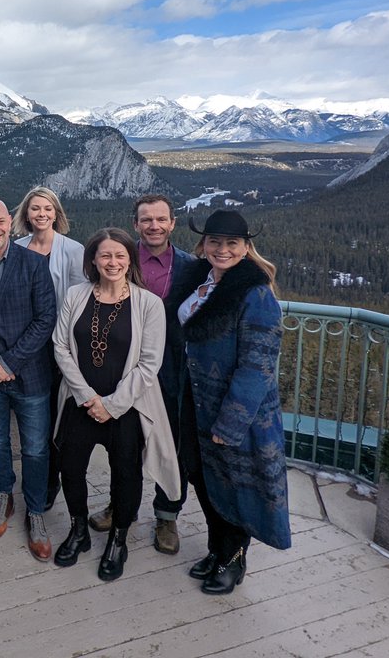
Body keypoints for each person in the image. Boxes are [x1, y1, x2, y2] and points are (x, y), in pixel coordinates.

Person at [170, 210, 290, 595]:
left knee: (233, 485)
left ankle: (233, 560)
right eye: (214, 242)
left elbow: (257, 368)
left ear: (245, 248)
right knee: (203, 479)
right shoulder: (198, 282)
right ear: (203, 245)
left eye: (231, 244)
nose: (222, 250)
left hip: (234, 415)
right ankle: (215, 549)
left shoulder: (256, 295)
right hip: (195, 400)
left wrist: (231, 424)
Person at [52, 228, 180, 582]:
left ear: (130, 260)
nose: (113, 262)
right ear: (93, 259)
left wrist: (113, 404)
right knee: (70, 467)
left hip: (126, 406)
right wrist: (88, 397)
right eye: (105, 255)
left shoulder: (148, 304)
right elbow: (60, 347)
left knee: (126, 473)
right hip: (81, 402)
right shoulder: (76, 295)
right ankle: (79, 531)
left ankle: (118, 539)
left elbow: (149, 364)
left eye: (120, 255)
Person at [88, 194, 196, 553]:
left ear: (172, 223)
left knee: (171, 447)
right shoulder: (119, 258)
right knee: (125, 445)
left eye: (160, 219)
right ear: (135, 224)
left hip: (171, 374)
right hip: (123, 371)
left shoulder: (191, 267)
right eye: (146, 219)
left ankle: (167, 516)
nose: (154, 226)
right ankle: (123, 505)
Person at [0, 198, 57, 561]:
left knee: (35, 448)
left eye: (0, 221)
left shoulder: (33, 264)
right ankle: (3, 495)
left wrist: (10, 360)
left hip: (30, 374)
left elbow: (45, 318)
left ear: (10, 222)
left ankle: (35, 511)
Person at [13, 186, 87, 510]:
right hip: (25, 346)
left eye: (47, 209)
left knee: (55, 419)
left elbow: (77, 304)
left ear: (56, 213)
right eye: (35, 209)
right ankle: (35, 476)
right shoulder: (16, 248)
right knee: (33, 419)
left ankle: (49, 480)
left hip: (58, 347)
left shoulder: (73, 250)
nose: (41, 214)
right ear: (25, 214)